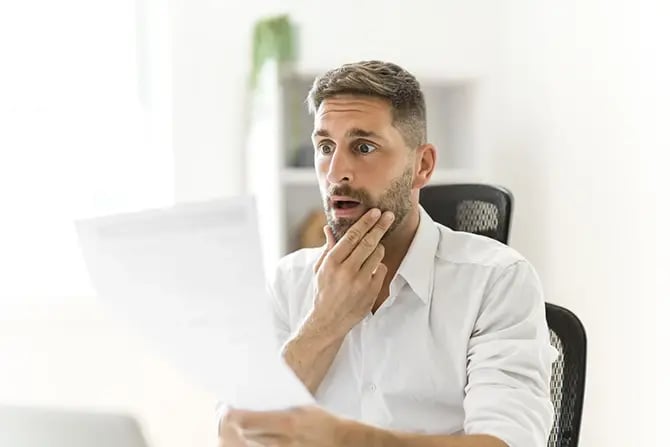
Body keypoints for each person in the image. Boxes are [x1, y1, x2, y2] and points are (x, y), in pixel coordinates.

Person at [218, 60, 556, 447]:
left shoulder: (496, 280)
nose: (336, 173)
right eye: (325, 147)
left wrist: (345, 439)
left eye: (364, 147)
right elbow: (232, 436)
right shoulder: (288, 281)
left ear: (422, 166)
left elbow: (507, 443)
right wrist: (324, 323)